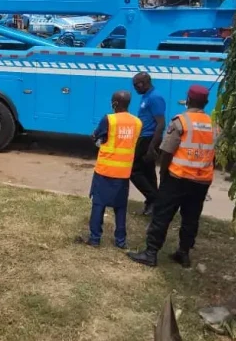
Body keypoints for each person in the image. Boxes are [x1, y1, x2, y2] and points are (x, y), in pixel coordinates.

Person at [127, 85, 217, 268]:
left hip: (178, 178)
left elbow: (167, 151)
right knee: (191, 217)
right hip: (202, 181)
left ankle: (150, 253)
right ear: (206, 102)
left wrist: (163, 174)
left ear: (188, 100)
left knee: (162, 214)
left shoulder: (181, 121)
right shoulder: (214, 124)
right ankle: (183, 253)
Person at [79, 91, 142, 248]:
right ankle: (121, 241)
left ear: (115, 103)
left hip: (105, 170)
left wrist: (99, 138)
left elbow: (96, 136)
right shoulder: (137, 122)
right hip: (124, 172)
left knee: (98, 204)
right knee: (120, 206)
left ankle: (95, 238)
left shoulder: (109, 119)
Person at [131, 72, 166, 216]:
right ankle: (152, 204)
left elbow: (161, 124)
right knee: (148, 172)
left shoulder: (155, 97)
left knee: (132, 170)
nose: (135, 88)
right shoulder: (146, 96)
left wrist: (152, 146)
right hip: (143, 137)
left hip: (148, 139)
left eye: (135, 85)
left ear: (143, 83)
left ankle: (154, 199)